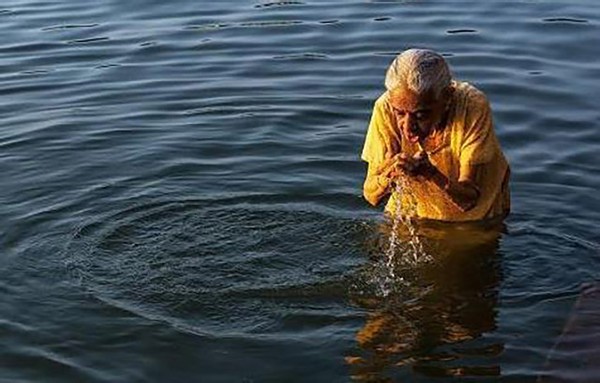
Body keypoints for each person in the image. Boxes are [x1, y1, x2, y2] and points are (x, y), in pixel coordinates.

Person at [361, 48, 510, 222]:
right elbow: (371, 196)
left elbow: (468, 200)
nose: (408, 127)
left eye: (421, 115)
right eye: (400, 113)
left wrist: (431, 174)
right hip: (410, 215)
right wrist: (393, 172)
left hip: (474, 221)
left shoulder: (472, 107)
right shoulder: (385, 108)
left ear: (447, 98)